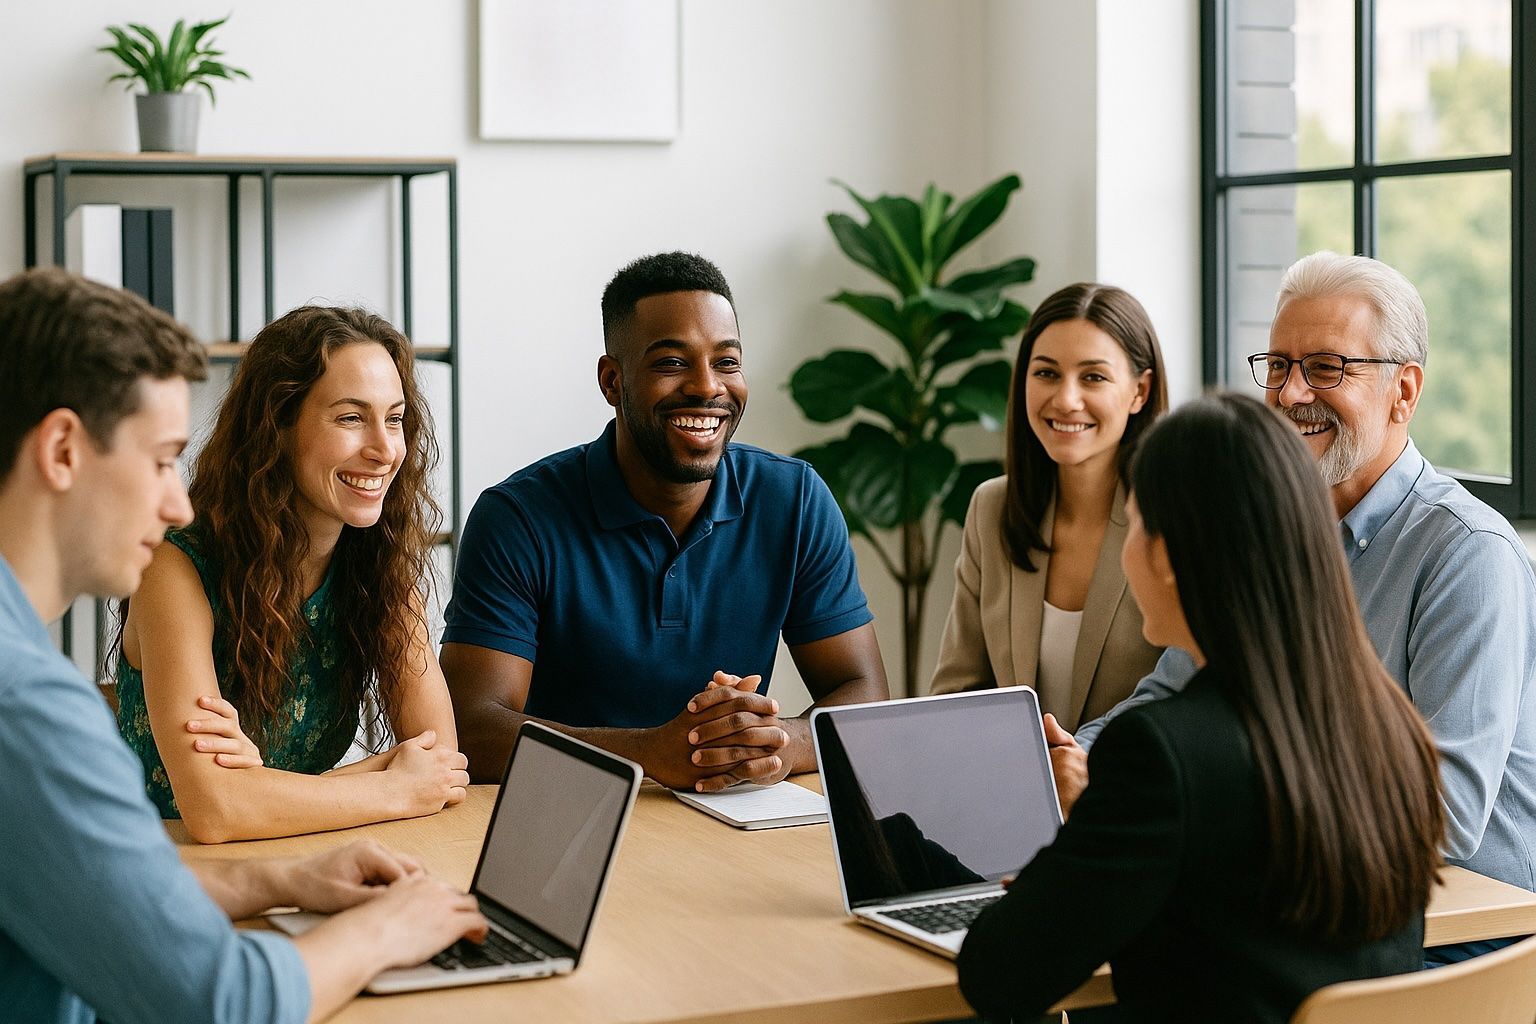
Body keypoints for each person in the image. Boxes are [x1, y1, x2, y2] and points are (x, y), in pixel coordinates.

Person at [0, 268, 485, 1024]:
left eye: (396, 420)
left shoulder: (20, 671)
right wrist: (386, 922)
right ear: (62, 448)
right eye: (161, 459)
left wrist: (282, 877)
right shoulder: (27, 702)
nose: (176, 500)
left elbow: (101, 881)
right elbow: (219, 998)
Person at [1062, 251, 1536, 964]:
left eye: (1325, 368)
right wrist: (1073, 760)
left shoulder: (1467, 553)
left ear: (1404, 392)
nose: (1289, 394)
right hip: (1319, 902)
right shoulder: (1264, 535)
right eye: (1278, 366)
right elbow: (1166, 694)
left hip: (1456, 936)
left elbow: (1445, 815)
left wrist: (1180, 802)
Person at [957, 393, 1443, 1023]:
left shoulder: (1161, 752)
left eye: (1132, 526)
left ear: (1165, 556)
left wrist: (1064, 878)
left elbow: (997, 976)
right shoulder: (1390, 728)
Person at [441, 251, 888, 791]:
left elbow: (863, 693)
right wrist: (648, 752)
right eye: (672, 363)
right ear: (612, 381)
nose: (707, 387)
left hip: (730, 813)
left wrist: (779, 742)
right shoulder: (518, 518)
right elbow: (471, 726)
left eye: (726, 362)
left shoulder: (793, 498)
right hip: (565, 814)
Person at [113, 305, 469, 842]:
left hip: (298, 859)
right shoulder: (174, 566)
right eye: (351, 418)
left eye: (394, 419)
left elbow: (441, 767)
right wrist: (391, 785)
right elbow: (215, 813)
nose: (384, 450)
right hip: (166, 873)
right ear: (276, 426)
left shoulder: (379, 565)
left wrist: (262, 789)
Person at [929, 283, 1166, 736]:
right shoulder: (992, 508)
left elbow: (1189, 699)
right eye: (1046, 374)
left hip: (1136, 794)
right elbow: (959, 694)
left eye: (1093, 377)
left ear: (1140, 391)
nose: (1065, 399)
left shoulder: (1177, 518)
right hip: (1011, 794)